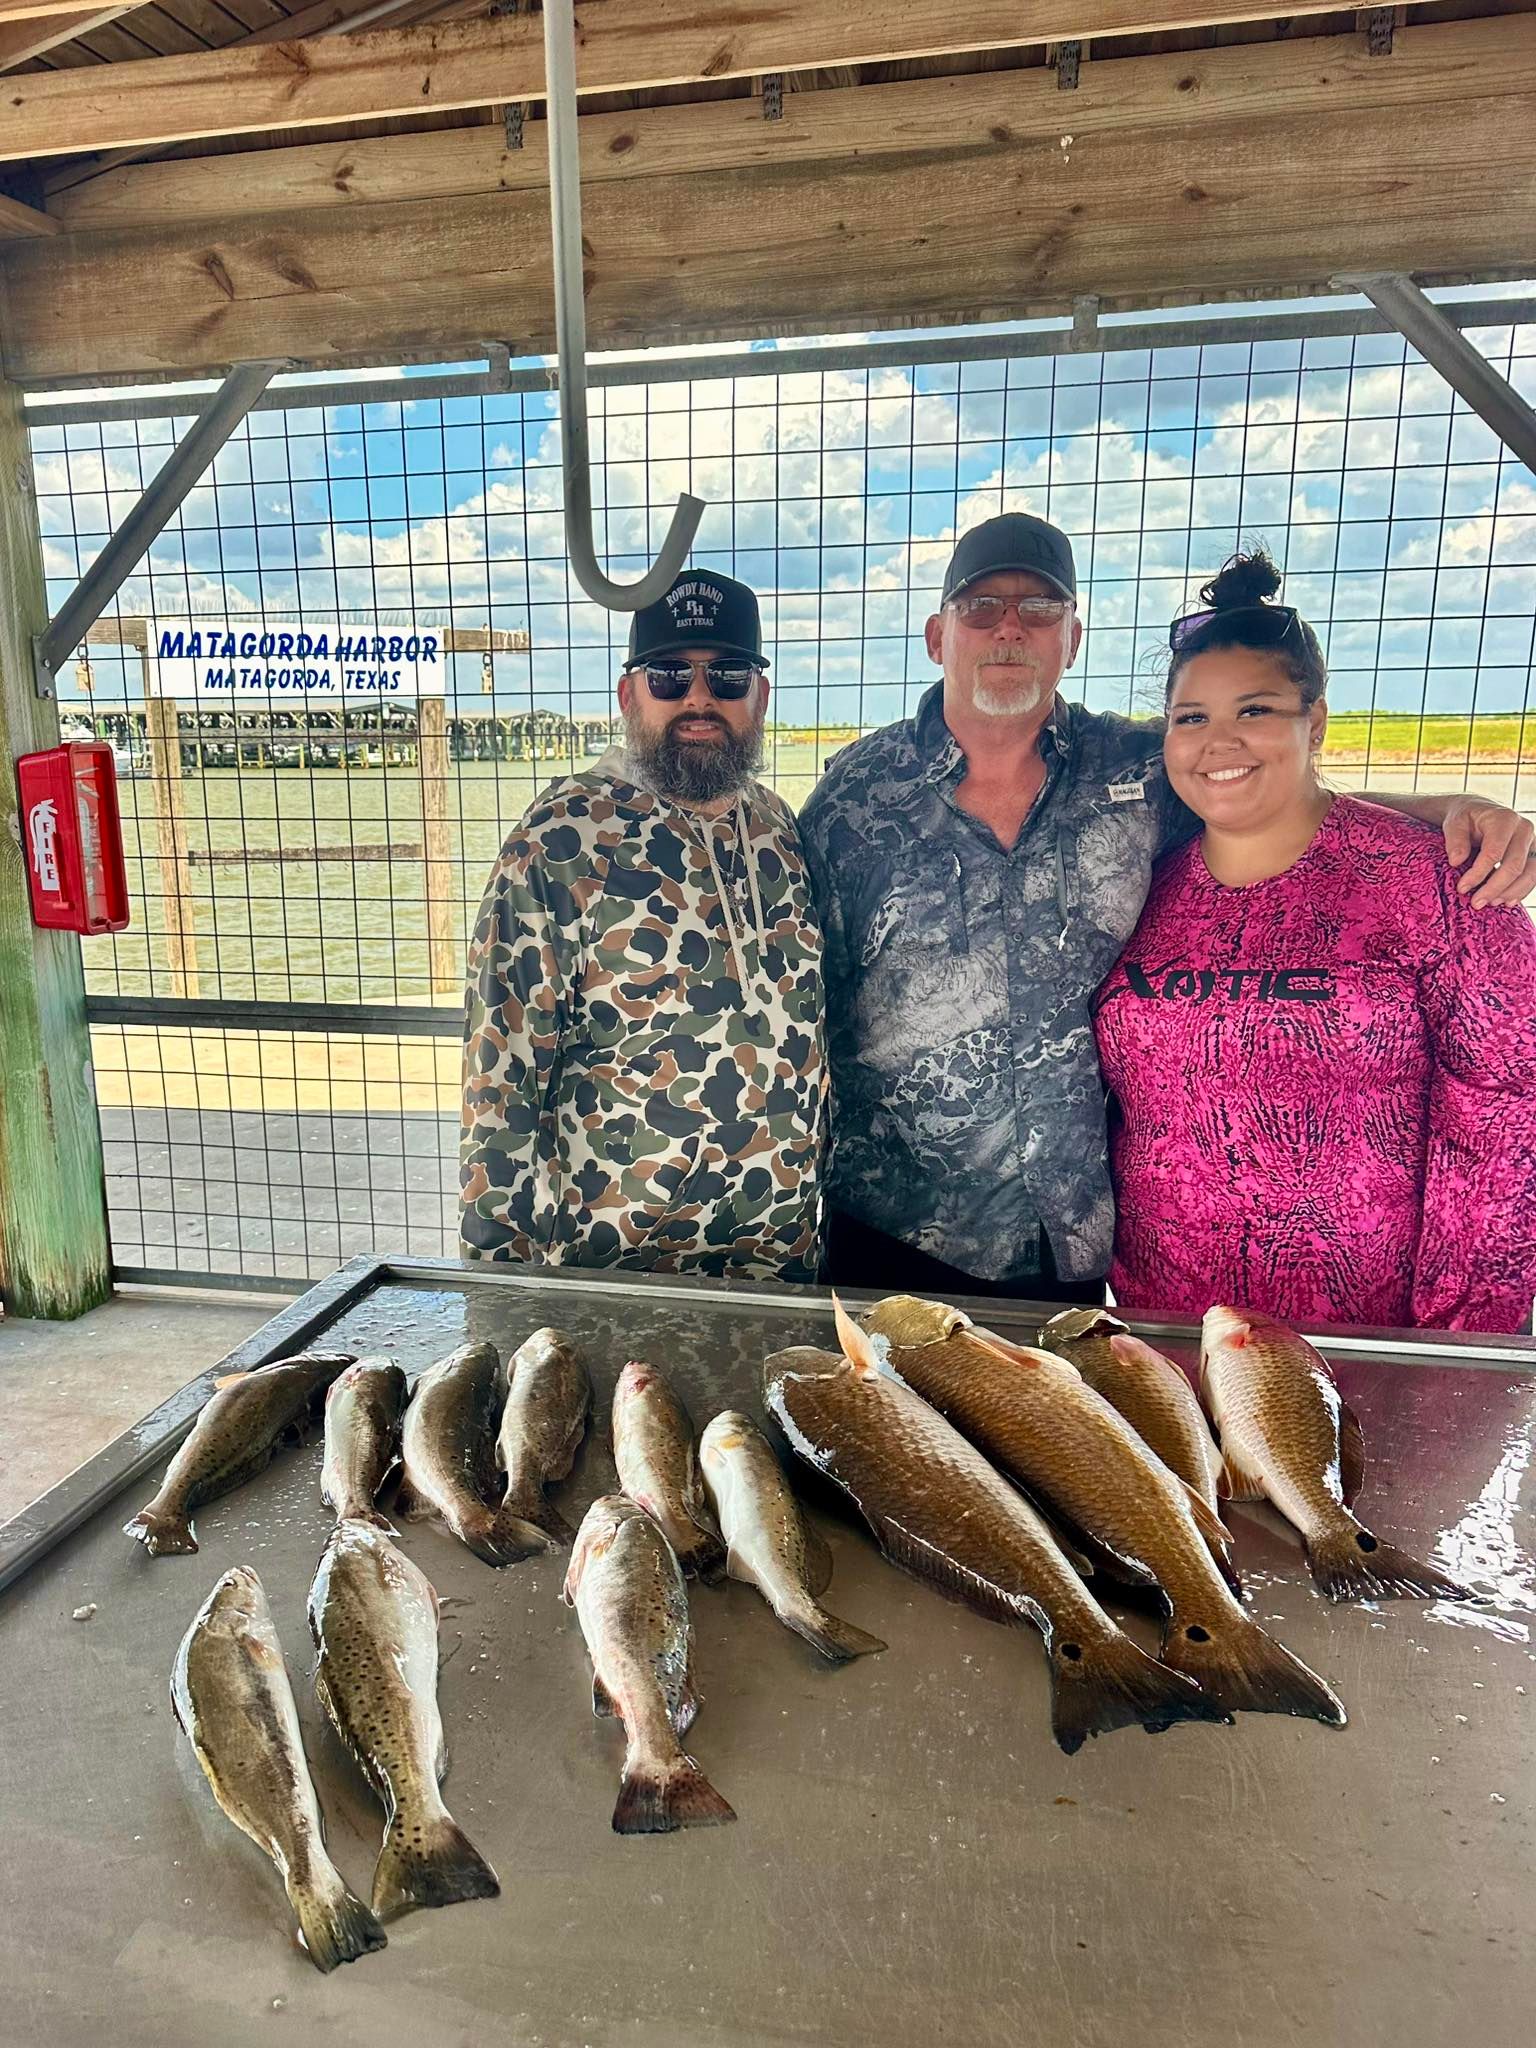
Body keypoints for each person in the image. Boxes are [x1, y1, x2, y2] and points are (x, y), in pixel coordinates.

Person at [798, 512, 1536, 1306]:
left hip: (1070, 1237)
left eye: (1039, 609)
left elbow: (1266, 789)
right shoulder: (855, 797)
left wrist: (1447, 807)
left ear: (1071, 639)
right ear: (938, 636)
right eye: (982, 608)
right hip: (894, 1225)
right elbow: (808, 993)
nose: (1009, 628)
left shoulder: (1137, 770)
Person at [1093, 551, 1536, 1332]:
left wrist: (1453, 1356)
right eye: (1190, 718)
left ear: (1317, 721)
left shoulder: (1442, 885)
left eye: (1255, 711)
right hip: (1167, 1331)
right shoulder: (1139, 881)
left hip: (1369, 1340)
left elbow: (1504, 1128)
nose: (1218, 742)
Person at [460, 569, 825, 1282]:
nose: (698, 698)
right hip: (621, 1277)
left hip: (782, 1274)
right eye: (669, 676)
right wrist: (498, 1286)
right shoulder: (564, 835)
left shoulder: (778, 826)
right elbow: (498, 1081)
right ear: (630, 694)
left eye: (726, 675)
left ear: (760, 696)